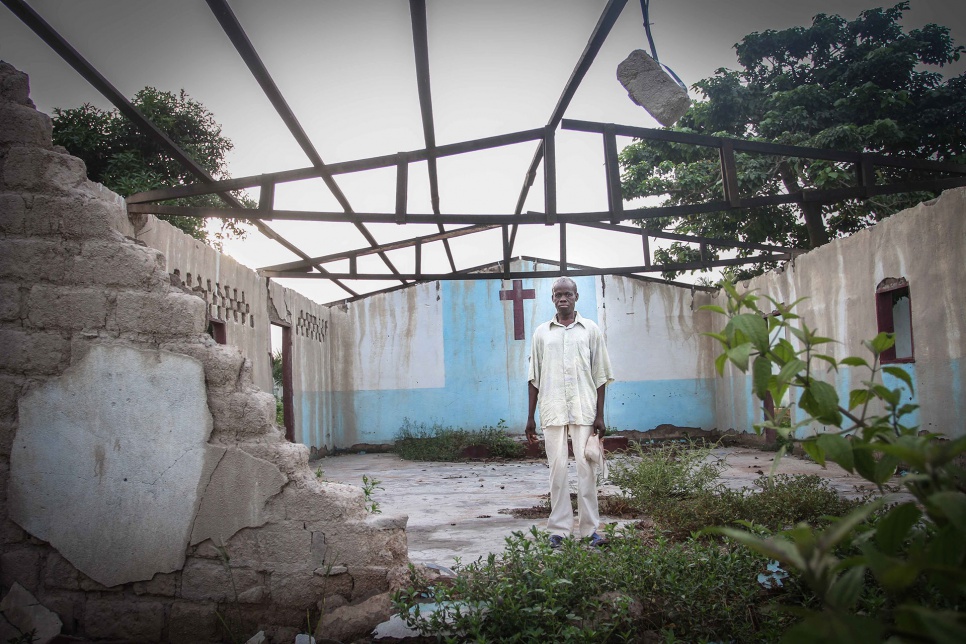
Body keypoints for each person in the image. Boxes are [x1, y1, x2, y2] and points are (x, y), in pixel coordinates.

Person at [526, 277, 614, 548]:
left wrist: (600, 415)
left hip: (584, 410)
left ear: (576, 296)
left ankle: (590, 532)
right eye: (557, 294)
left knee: (587, 471)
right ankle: (559, 531)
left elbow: (600, 374)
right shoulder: (542, 332)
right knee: (558, 471)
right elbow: (534, 377)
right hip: (552, 410)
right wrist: (530, 417)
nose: (562, 298)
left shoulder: (590, 330)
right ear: (552, 298)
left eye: (567, 294)